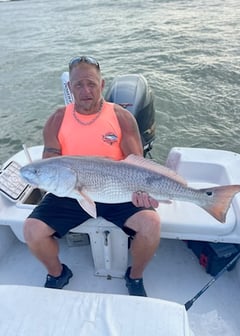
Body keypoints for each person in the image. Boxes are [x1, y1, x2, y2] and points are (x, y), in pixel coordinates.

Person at [23, 56, 161, 297]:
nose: (85, 90)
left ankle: (135, 276)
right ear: (70, 87)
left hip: (118, 189)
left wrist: (142, 193)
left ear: (102, 84)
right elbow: (49, 166)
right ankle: (58, 273)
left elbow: (137, 166)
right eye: (78, 85)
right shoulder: (57, 119)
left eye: (91, 84)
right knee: (32, 230)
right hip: (71, 190)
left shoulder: (122, 117)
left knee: (151, 225)